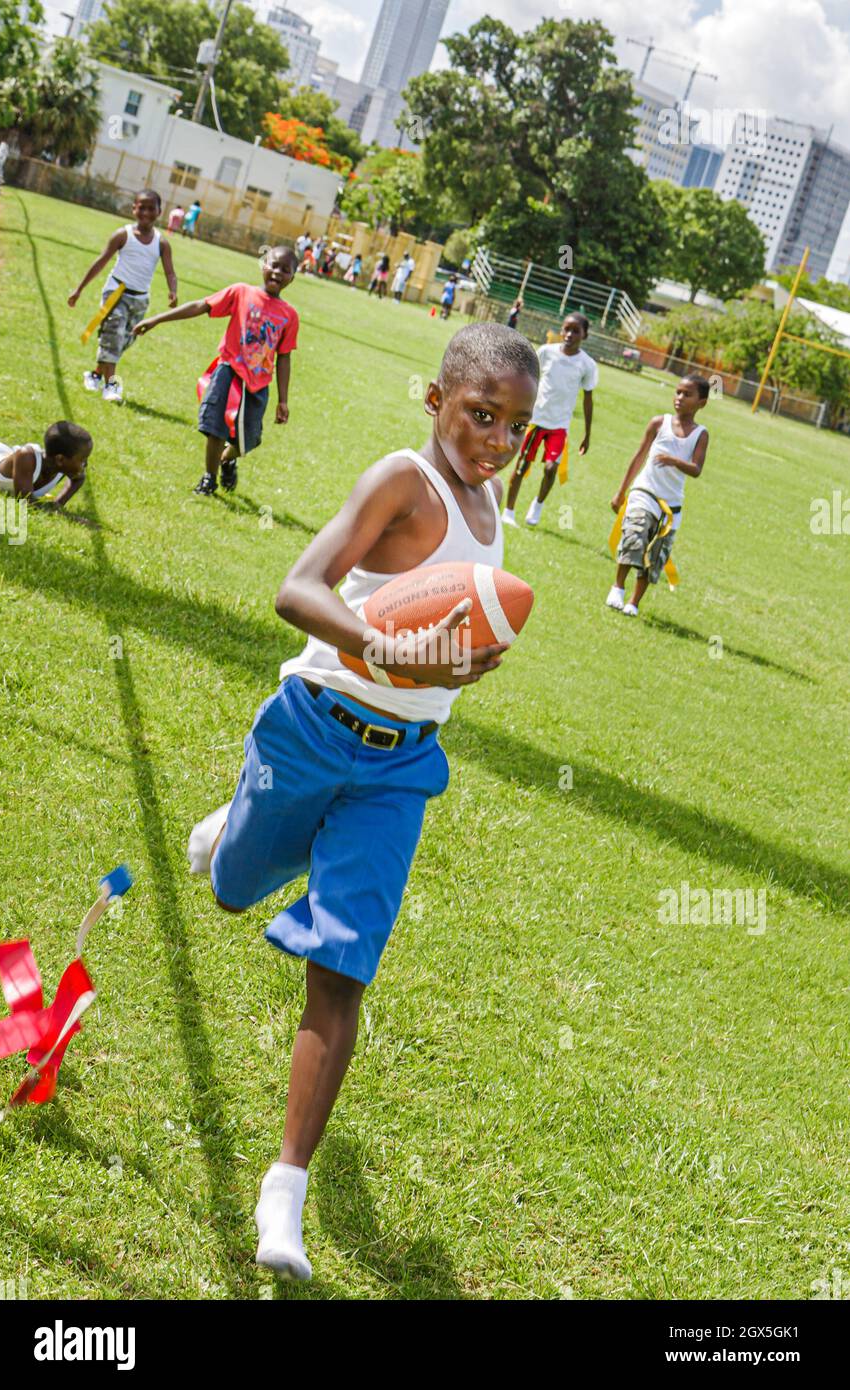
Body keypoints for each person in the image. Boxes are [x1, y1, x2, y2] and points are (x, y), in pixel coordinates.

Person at [185, 322, 539, 1281]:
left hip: (400, 770)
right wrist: (389, 649)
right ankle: (234, 832)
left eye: (515, 426)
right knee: (229, 888)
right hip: (310, 726)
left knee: (342, 967)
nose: (494, 440)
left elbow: (448, 644)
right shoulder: (401, 481)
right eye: (479, 415)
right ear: (435, 400)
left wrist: (464, 660)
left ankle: (284, 1193)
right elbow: (298, 591)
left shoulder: (490, 506)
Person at [132, 246, 298, 496]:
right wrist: (157, 319)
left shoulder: (289, 315)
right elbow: (202, 305)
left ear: (293, 277)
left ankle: (228, 459)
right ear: (263, 266)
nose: (277, 272)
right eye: (273, 265)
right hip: (229, 371)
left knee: (248, 440)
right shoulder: (241, 292)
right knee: (216, 427)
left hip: (257, 384)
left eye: (285, 270)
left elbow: (284, 357)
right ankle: (209, 478)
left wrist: (283, 400)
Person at [606, 376, 709, 616]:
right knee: (634, 535)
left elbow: (696, 469)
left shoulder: (700, 435)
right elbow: (639, 456)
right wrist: (621, 492)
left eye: (687, 394)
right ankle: (618, 587)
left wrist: (674, 461)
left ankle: (633, 602)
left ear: (701, 403)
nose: (679, 398)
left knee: (654, 555)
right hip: (644, 492)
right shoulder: (658, 423)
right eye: (678, 392)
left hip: (671, 505)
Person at [68, 188, 177, 406]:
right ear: (134, 209)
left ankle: (96, 375)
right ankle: (112, 386)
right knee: (114, 336)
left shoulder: (162, 243)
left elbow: (170, 272)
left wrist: (173, 291)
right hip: (116, 293)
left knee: (122, 341)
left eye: (150, 208)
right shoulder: (122, 235)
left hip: (140, 299)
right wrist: (79, 289)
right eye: (141, 207)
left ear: (159, 211)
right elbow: (101, 261)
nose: (145, 212)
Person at [502, 312, 597, 528]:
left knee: (551, 468)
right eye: (566, 329)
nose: (570, 334)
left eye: (576, 331)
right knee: (521, 465)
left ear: (585, 335)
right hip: (536, 420)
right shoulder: (546, 352)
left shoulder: (587, 365)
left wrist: (587, 434)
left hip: (559, 426)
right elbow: (527, 379)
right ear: (561, 330)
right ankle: (508, 511)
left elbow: (588, 400)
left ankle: (537, 504)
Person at [0, 421, 92, 508]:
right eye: (83, 460)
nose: (86, 464)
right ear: (60, 459)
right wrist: (69, 516)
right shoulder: (26, 457)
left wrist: (58, 504)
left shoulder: (62, 468)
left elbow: (78, 479)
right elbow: (25, 501)